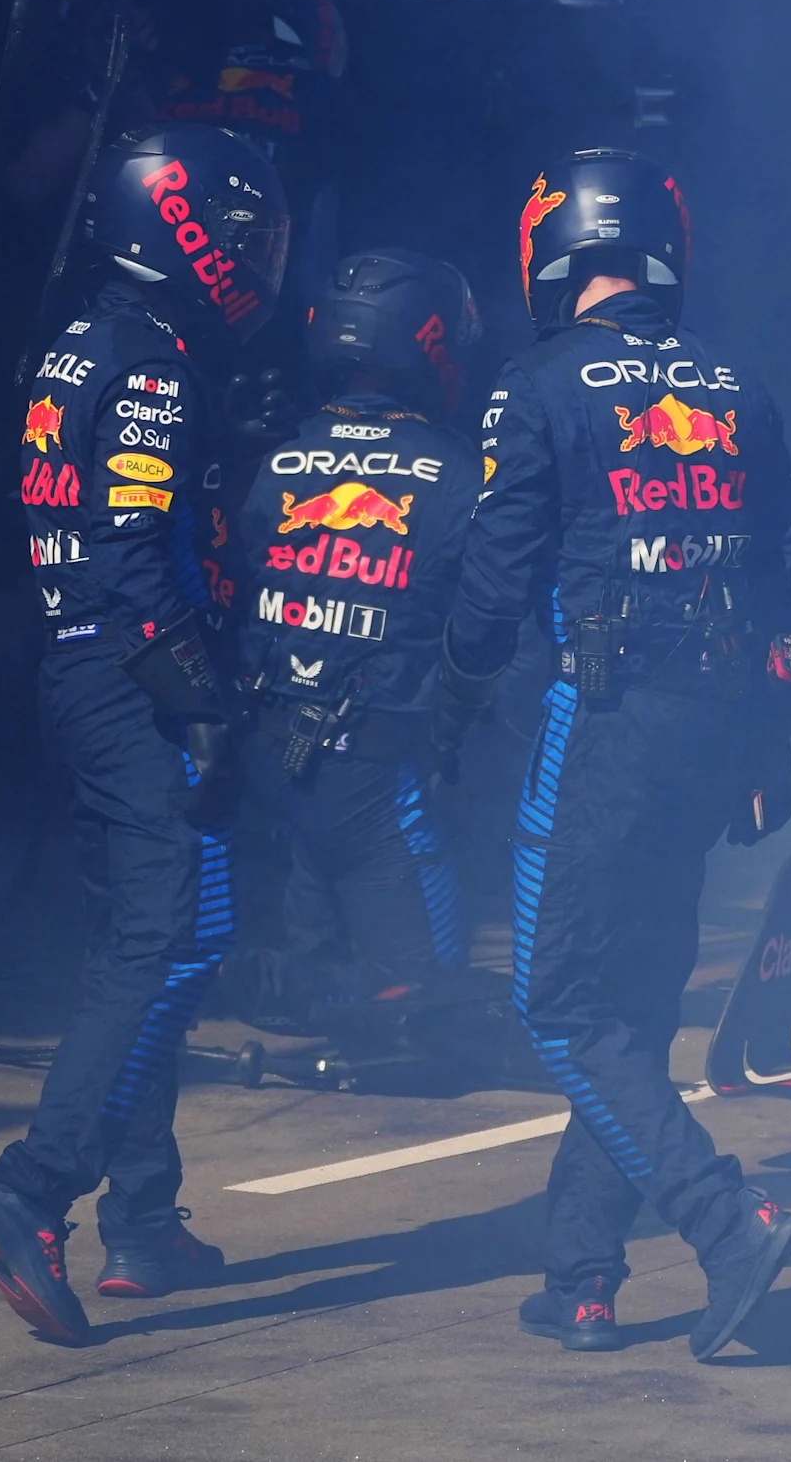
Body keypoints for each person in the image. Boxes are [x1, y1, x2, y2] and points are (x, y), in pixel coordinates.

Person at [438, 151, 791, 1358]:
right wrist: (764, 737)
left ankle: (726, 1219)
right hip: (717, 731)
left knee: (556, 1006)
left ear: (549, 255)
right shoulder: (735, 385)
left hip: (603, 722)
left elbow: (497, 574)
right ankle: (585, 1275)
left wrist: (454, 683)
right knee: (637, 1004)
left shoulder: (538, 382)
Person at [0, 125, 288, 1345]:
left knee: (135, 946)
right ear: (185, 231)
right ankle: (33, 1190)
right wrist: (210, 700)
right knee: (173, 934)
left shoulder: (84, 335)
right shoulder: (153, 364)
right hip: (129, 678)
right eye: (241, 239)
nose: (258, 260)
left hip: (72, 674)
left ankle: (144, 1218)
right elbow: (137, 560)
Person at [225, 250, 490, 1067]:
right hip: (381, 765)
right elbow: (489, 618)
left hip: (274, 754)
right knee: (435, 989)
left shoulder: (268, 457)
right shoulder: (456, 473)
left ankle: (310, 986)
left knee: (317, 909)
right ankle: (345, 996)